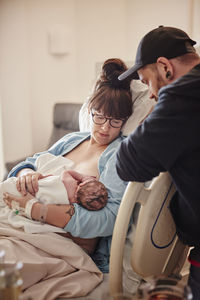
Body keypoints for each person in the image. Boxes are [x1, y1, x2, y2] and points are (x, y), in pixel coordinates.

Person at [3, 58, 133, 272]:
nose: (104, 128)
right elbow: (33, 162)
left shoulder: (118, 154)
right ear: (90, 110)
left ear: (125, 121)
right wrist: (26, 172)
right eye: (99, 117)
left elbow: (110, 218)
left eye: (115, 121)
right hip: (18, 223)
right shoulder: (72, 139)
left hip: (55, 240)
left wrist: (35, 209)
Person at [116, 26, 200, 299]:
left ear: (165, 68)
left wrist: (150, 118)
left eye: (146, 80)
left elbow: (127, 164)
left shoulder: (183, 96)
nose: (150, 94)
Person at [1, 153, 108, 213]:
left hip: (33, 191)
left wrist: (82, 176)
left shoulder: (71, 184)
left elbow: (66, 173)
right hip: (32, 190)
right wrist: (26, 171)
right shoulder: (73, 202)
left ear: (81, 184)